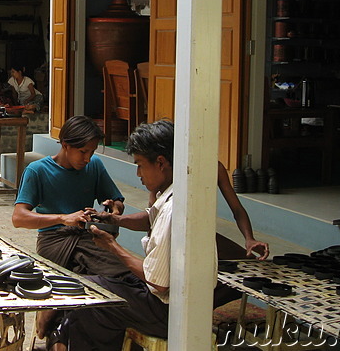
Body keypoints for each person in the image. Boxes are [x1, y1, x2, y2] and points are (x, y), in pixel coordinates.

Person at [42, 119, 217, 350]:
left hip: (170, 311)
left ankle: (61, 339)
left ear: (161, 163)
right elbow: (149, 217)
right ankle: (62, 335)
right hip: (183, 304)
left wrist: (112, 246)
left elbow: (158, 283)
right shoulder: (181, 193)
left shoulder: (174, 210)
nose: (138, 174)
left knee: (90, 295)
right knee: (100, 282)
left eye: (141, 165)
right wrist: (116, 220)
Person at [12, 116, 130, 279]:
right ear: (65, 145)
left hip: (89, 237)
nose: (87, 159)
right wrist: (63, 218)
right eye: (83, 152)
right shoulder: (37, 170)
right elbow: (19, 218)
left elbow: (116, 201)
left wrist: (113, 210)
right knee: (106, 274)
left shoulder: (94, 165)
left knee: (122, 273)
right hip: (54, 240)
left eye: (92, 152)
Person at [147, 162, 269, 260]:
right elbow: (152, 214)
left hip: (201, 234)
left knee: (248, 261)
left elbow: (237, 209)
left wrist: (249, 238)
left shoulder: (214, 167)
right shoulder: (166, 169)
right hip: (169, 235)